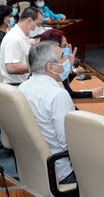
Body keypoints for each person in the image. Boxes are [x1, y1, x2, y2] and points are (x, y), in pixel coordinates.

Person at [19, 41, 76, 184]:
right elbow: (69, 143)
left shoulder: (22, 88)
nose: (67, 60)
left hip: (34, 166)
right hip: (61, 171)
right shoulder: (58, 95)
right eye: (63, 57)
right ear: (51, 67)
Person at [39, 29, 102, 99]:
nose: (67, 48)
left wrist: (69, 67)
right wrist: (93, 93)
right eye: (64, 46)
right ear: (55, 48)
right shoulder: (50, 69)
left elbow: (64, 83)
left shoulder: (45, 63)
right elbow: (69, 95)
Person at [0, 6, 41, 84]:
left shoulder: (21, 34)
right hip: (17, 86)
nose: (39, 28)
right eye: (38, 24)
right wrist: (39, 66)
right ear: (30, 20)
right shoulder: (13, 38)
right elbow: (11, 68)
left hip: (25, 81)